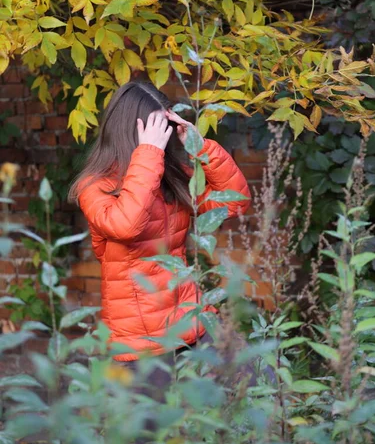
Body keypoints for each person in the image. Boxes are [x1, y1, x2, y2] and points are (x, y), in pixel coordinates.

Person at [68, 81, 251, 367]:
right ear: (134, 130)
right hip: (143, 342)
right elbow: (126, 225)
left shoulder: (171, 177)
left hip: (191, 320)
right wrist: (148, 154)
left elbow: (234, 203)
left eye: (166, 126)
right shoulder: (95, 187)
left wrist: (200, 147)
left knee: (251, 380)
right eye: (158, 128)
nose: (164, 137)